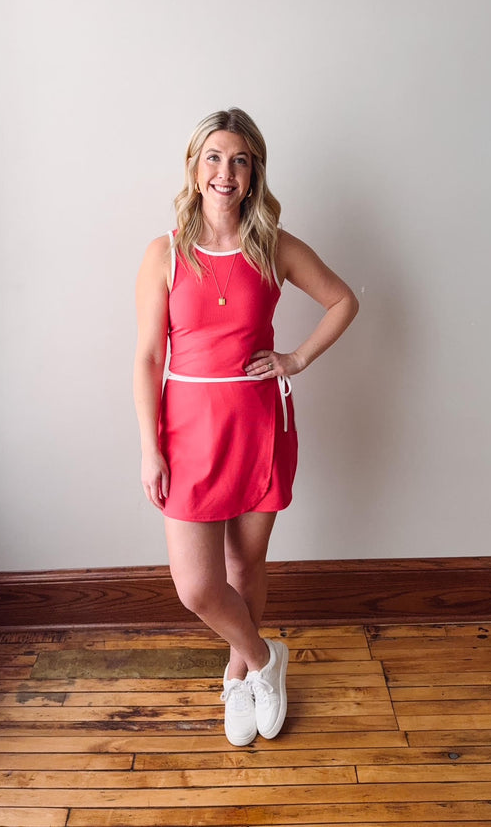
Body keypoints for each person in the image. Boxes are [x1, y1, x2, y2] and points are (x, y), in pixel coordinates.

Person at [133, 107, 358, 747]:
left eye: (239, 159)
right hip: (188, 429)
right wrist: (150, 449)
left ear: (254, 171)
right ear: (194, 166)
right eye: (213, 157)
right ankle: (265, 658)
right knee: (197, 586)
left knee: (244, 562)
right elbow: (149, 357)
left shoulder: (276, 246)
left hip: (258, 421)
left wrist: (297, 358)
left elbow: (345, 299)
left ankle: (238, 675)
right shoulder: (165, 252)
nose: (225, 171)